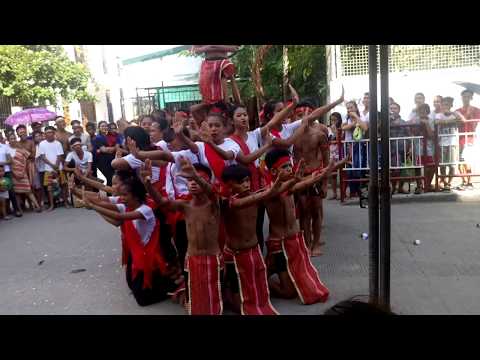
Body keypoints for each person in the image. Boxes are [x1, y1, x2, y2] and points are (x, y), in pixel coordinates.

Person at [263, 149, 347, 304]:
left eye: (290, 166)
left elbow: (309, 180)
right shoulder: (270, 190)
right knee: (288, 292)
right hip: (279, 245)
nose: (289, 169)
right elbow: (295, 184)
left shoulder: (288, 186)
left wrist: (329, 170)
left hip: (293, 241)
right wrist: (299, 179)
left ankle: (267, 274)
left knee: (301, 286)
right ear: (274, 171)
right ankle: (263, 284)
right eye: (285, 167)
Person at [141, 157, 224, 315]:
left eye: (197, 179)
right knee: (195, 302)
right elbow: (162, 202)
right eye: (189, 180)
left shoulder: (214, 204)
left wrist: (194, 175)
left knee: (214, 302)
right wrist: (148, 183)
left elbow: (213, 193)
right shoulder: (184, 206)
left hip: (212, 258)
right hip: (192, 259)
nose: (192, 183)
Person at [83, 174, 179, 307]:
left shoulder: (146, 210)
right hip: (137, 254)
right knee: (132, 286)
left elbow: (118, 216)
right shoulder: (126, 206)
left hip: (149, 255)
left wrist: (93, 207)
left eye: (125, 195)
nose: (121, 198)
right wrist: (78, 192)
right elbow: (102, 202)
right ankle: (166, 282)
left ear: (135, 195)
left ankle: (174, 286)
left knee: (142, 300)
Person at [221, 164, 281, 315]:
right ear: (230, 185)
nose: (246, 184)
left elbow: (286, 189)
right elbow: (257, 197)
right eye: (241, 182)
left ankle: (267, 278)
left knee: (259, 299)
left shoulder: (255, 196)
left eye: (248, 180)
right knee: (239, 308)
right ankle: (225, 292)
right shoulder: (228, 202)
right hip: (234, 256)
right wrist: (271, 189)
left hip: (254, 252)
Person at [292, 90, 345, 256]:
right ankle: (306, 245)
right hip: (300, 178)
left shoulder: (320, 134)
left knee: (316, 211)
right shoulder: (292, 134)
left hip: (315, 175)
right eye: (299, 113)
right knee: (303, 213)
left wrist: (323, 182)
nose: (303, 116)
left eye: (307, 112)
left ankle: (315, 244)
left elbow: (327, 161)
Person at [228, 104, 274, 252]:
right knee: (245, 228)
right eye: (239, 115)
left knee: (258, 225)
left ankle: (259, 261)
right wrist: (266, 146)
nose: (243, 118)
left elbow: (273, 122)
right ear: (231, 120)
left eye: (245, 114)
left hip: (257, 186)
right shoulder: (229, 141)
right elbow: (246, 160)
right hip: (241, 189)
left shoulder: (254, 135)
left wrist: (292, 104)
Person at [6, 133, 41, 213]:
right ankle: (19, 210)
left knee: (28, 190)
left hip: (23, 172)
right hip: (13, 174)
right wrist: (14, 173)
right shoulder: (7, 150)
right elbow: (9, 163)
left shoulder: (21, 149)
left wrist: (23, 170)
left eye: (14, 138)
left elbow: (28, 159)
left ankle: (37, 206)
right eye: (11, 138)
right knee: (17, 193)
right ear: (8, 140)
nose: (13, 140)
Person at [341, 100, 369, 198]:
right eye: (347, 108)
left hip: (358, 145)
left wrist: (356, 118)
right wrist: (353, 124)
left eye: (351, 107)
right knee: (349, 169)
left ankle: (359, 190)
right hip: (348, 145)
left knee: (358, 167)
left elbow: (365, 128)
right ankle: (353, 191)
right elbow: (343, 128)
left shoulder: (361, 117)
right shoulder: (346, 118)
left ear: (356, 108)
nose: (349, 110)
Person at [37, 126, 69, 211]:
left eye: (51, 132)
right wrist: (52, 165)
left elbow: (59, 155)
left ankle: (65, 202)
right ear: (45, 134)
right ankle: (52, 205)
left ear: (54, 133)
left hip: (59, 168)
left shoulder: (57, 143)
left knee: (63, 186)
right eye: (48, 132)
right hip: (48, 169)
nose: (50, 134)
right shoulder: (42, 144)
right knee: (49, 188)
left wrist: (56, 166)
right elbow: (43, 157)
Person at [435, 97, 463, 191]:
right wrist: (452, 121)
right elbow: (437, 122)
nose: (445, 106)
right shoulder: (439, 115)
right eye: (443, 104)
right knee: (442, 165)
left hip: (453, 143)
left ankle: (449, 183)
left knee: (452, 165)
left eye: (447, 104)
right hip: (442, 143)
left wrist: (453, 114)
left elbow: (462, 120)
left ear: (451, 105)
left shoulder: (455, 113)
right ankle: (444, 182)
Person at [456, 89, 480, 190]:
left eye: (468, 96)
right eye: (464, 96)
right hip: (460, 137)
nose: (466, 98)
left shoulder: (476, 110)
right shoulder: (457, 111)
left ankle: (469, 182)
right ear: (461, 97)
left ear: (471, 98)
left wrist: (471, 116)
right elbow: (457, 122)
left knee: (468, 160)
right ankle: (463, 181)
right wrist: (465, 116)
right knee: (460, 161)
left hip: (470, 137)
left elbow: (475, 123)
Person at [389, 102, 410, 194]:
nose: (393, 110)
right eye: (391, 108)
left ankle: (400, 187)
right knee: (394, 170)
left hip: (402, 149)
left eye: (395, 108)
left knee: (401, 169)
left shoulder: (403, 122)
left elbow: (409, 135)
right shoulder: (386, 121)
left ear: (399, 110)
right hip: (390, 149)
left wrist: (410, 148)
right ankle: (393, 187)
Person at [93, 121, 120, 186]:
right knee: (108, 179)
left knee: (114, 178)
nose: (104, 127)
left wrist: (109, 149)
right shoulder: (98, 138)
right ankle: (110, 194)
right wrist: (115, 148)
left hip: (112, 160)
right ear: (99, 128)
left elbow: (114, 147)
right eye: (102, 126)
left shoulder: (110, 136)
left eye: (105, 126)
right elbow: (104, 150)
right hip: (103, 162)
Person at [0, 134, 20, 216]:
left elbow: (10, 160)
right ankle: (4, 212)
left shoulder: (4, 147)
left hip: (6, 172)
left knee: (11, 191)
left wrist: (1, 163)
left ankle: (16, 210)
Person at [15, 125, 36, 199]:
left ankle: (37, 203)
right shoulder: (16, 144)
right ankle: (28, 204)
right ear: (17, 134)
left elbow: (33, 156)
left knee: (33, 185)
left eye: (24, 132)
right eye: (20, 132)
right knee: (23, 186)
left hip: (31, 166)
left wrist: (23, 152)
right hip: (21, 167)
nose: (23, 133)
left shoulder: (31, 142)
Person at [327, 112, 343, 200]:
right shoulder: (327, 128)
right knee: (333, 173)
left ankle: (343, 192)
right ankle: (334, 193)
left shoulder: (341, 128)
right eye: (331, 120)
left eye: (335, 120)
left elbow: (339, 139)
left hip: (339, 151)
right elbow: (327, 140)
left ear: (339, 120)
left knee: (342, 172)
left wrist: (335, 131)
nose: (333, 122)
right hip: (331, 152)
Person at [32, 130, 45, 207]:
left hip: (46, 168)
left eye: (39, 135)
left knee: (48, 185)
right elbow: (35, 158)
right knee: (40, 187)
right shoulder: (35, 147)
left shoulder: (45, 144)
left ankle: (50, 201)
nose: (38, 137)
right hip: (38, 169)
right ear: (34, 138)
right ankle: (40, 202)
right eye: (36, 136)